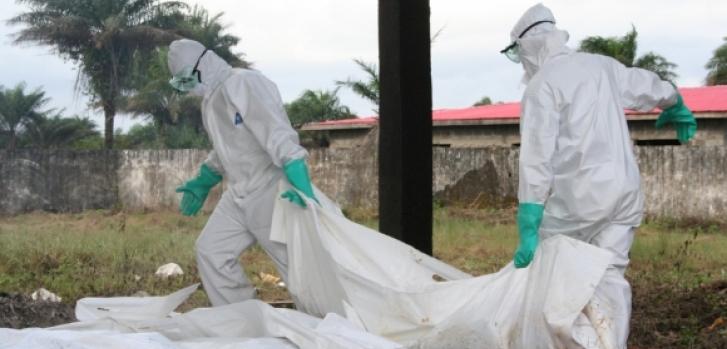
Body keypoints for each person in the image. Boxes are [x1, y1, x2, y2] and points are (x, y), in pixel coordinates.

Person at [501, 3, 696, 348]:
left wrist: (529, 216)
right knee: (609, 275)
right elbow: (645, 84)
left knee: (560, 277)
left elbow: (537, 157)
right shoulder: (600, 65)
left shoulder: (542, 86)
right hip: (624, 194)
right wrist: (674, 101)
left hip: (577, 201)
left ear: (529, 47)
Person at [167, 39, 318, 306]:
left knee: (297, 267)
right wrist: (204, 179)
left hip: (269, 191)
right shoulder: (210, 102)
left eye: (186, 79)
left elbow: (274, 129)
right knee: (211, 251)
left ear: (200, 66)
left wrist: (296, 171)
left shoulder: (244, 82)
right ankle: (243, 318)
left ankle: (328, 326)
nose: (188, 88)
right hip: (238, 193)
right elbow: (226, 148)